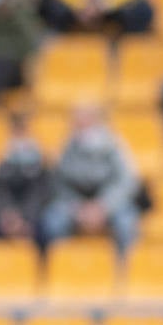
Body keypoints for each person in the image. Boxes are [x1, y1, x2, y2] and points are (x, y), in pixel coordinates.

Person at [43, 101, 141, 251]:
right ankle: (65, 265)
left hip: (109, 202)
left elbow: (127, 181)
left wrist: (103, 206)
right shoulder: (67, 147)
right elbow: (59, 184)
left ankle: (124, 268)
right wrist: (77, 207)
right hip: (76, 204)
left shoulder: (113, 145)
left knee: (126, 222)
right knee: (53, 221)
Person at [0, 112, 53, 241]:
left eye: (22, 130)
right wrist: (6, 214)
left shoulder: (40, 161)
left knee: (47, 226)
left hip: (32, 215)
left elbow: (41, 193)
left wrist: (25, 218)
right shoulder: (2, 160)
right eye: (16, 130)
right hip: (6, 215)